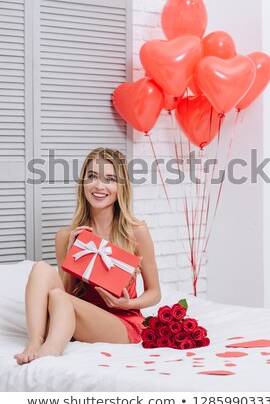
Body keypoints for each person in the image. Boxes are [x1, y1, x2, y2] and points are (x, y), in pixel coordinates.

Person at [14, 147, 161, 365]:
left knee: (59, 298)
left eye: (109, 179)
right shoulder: (66, 235)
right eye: (92, 176)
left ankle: (50, 351)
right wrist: (71, 256)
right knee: (41, 269)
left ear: (121, 188)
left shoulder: (136, 231)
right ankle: (35, 341)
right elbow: (62, 294)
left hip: (121, 321)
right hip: (76, 317)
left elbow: (155, 292)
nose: (99, 186)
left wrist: (127, 304)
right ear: (83, 183)